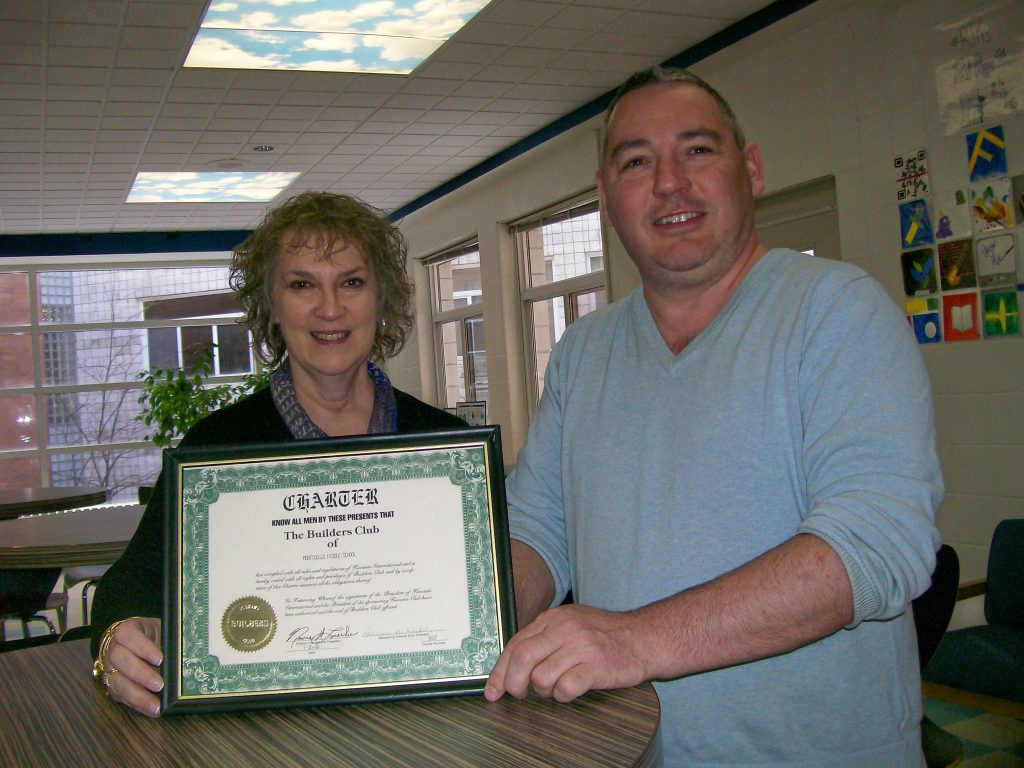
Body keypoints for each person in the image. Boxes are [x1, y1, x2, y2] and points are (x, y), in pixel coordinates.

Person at [485, 66, 943, 766]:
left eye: (698, 149)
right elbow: (540, 532)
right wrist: (467, 626)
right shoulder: (583, 352)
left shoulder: (837, 312)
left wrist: (636, 639)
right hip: (633, 751)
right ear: (608, 200)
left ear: (750, 169)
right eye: (637, 161)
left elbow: (879, 543)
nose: (670, 181)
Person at [91, 191, 465, 718]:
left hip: (426, 717)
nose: (330, 308)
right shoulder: (217, 448)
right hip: (263, 728)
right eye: (302, 284)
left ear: (381, 299)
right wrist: (115, 640)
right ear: (271, 304)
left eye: (352, 282)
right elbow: (132, 579)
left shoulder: (443, 445)